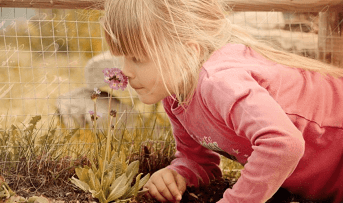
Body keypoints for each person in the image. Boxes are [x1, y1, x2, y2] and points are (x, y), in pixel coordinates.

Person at [101, 0, 343, 202]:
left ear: (189, 52)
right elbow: (200, 161)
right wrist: (179, 173)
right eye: (123, 58)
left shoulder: (219, 82)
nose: (126, 71)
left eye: (137, 58)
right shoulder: (176, 97)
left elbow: (283, 144)